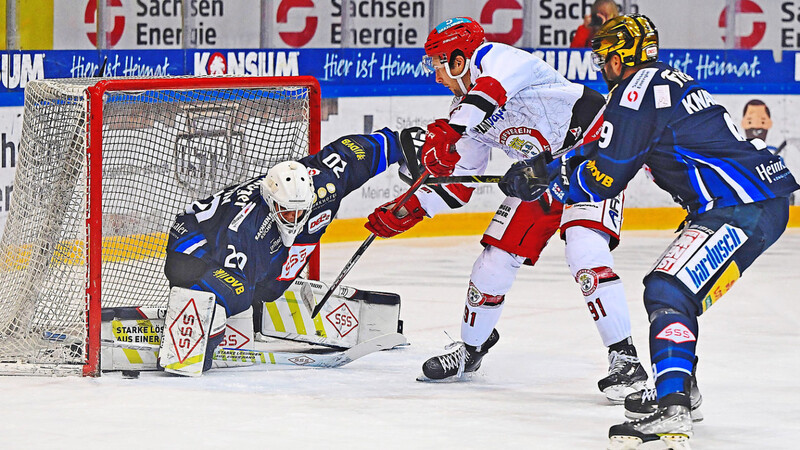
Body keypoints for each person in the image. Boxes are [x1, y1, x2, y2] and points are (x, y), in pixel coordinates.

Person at [503, 14, 799, 447]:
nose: (601, 66)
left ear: (623, 57)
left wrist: (552, 184)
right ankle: (681, 390)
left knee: (668, 291)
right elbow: (601, 142)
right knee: (676, 292)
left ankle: (674, 406)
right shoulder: (659, 84)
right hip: (755, 199)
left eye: (605, 57)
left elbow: (609, 172)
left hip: (742, 203)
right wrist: (546, 167)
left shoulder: (636, 89)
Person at [364, 17, 647, 403]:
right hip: (539, 176)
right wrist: (409, 208)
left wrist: (450, 130)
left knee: (584, 250)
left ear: (460, 59)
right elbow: (461, 183)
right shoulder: (464, 111)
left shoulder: (500, 59)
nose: (436, 76)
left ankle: (625, 359)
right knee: (493, 262)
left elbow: (489, 93)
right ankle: (471, 349)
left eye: (439, 64)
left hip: (590, 160)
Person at [161, 128, 406, 375]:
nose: (294, 218)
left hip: (235, 244)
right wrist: (214, 325)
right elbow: (236, 274)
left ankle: (246, 302)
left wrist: (403, 144)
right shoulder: (247, 228)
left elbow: (351, 154)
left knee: (270, 287)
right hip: (190, 248)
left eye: (300, 210)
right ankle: (191, 325)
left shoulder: (324, 185)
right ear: (269, 199)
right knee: (238, 292)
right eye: (286, 210)